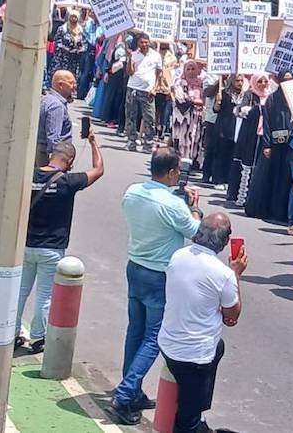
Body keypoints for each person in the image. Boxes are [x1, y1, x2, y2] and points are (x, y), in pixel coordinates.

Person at [112, 147, 201, 425]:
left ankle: (132, 388)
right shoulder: (173, 205)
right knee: (153, 337)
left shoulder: (133, 192)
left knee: (135, 331)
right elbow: (197, 232)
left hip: (135, 265)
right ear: (173, 171)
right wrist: (194, 207)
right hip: (159, 274)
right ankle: (126, 393)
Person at [158, 213, 246, 433]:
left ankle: (198, 409)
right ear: (226, 241)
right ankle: (192, 418)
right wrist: (236, 274)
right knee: (186, 421)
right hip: (194, 356)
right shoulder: (223, 274)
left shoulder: (178, 255)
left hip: (168, 342)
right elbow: (233, 314)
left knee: (219, 348)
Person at [15, 137, 104, 353]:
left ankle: (12, 331)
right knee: (44, 295)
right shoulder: (67, 182)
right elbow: (98, 170)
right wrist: (93, 143)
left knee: (20, 291)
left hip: (27, 245)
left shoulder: (31, 175)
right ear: (70, 161)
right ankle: (38, 338)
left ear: (50, 156)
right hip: (52, 248)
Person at [245, 70, 293, 224]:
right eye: (284, 79)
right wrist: (267, 145)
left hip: (290, 145)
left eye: (290, 79)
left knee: (285, 179)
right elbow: (267, 123)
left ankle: (281, 212)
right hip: (275, 144)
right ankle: (264, 209)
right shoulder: (273, 99)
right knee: (269, 177)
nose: (287, 82)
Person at [226, 74, 273, 206]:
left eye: (265, 81)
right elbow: (240, 110)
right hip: (249, 134)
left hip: (264, 135)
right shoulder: (250, 94)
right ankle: (241, 196)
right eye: (259, 81)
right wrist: (254, 110)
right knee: (246, 163)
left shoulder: (270, 95)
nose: (263, 84)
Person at [123, 34, 161, 152]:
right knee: (131, 116)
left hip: (148, 91)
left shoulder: (156, 56)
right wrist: (129, 58)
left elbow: (159, 73)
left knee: (149, 118)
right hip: (133, 88)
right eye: (141, 42)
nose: (144, 44)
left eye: (146, 42)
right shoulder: (134, 55)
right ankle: (131, 141)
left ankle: (148, 144)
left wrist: (155, 88)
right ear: (138, 43)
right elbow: (130, 72)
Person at [35, 70, 75, 167]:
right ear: (61, 85)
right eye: (71, 83)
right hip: (49, 157)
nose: (74, 86)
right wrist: (57, 161)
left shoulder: (47, 99)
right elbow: (54, 138)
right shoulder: (56, 106)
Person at [171, 60, 207, 164]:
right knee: (182, 139)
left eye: (193, 69)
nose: (191, 71)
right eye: (188, 69)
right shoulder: (180, 82)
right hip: (183, 117)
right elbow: (180, 98)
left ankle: (192, 162)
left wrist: (201, 103)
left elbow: (205, 99)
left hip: (197, 117)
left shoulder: (201, 83)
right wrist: (196, 102)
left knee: (195, 138)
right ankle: (179, 162)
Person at [212, 74, 243, 188]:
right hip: (224, 127)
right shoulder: (224, 93)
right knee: (221, 154)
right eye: (237, 80)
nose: (239, 83)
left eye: (241, 80)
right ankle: (218, 179)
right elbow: (216, 110)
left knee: (232, 155)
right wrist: (217, 101)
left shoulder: (245, 95)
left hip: (237, 128)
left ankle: (228, 179)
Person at [47, 8, 84, 77]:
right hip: (61, 59)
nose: (73, 19)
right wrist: (66, 49)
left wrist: (79, 49)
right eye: (72, 16)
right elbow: (57, 42)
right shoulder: (62, 28)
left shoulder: (81, 30)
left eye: (75, 17)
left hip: (73, 61)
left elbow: (84, 43)